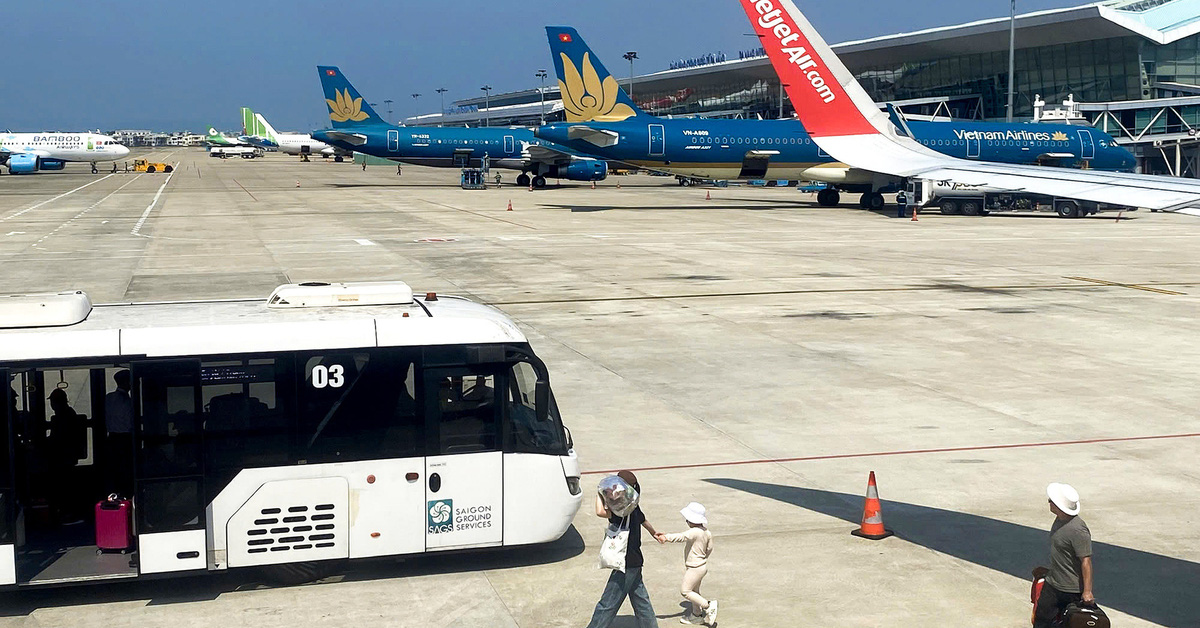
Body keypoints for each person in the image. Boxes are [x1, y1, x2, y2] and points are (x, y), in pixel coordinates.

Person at [587, 470, 663, 628]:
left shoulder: (620, 510)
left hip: (625, 562)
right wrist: (654, 533)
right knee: (641, 601)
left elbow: (600, 512)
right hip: (635, 559)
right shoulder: (633, 506)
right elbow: (644, 520)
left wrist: (600, 494)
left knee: (607, 603)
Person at [1034, 483, 1094, 628]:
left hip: (1071, 591)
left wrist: (1087, 592)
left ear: (1059, 506)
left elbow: (1086, 561)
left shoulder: (1078, 530)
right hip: (1053, 583)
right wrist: (1049, 571)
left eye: (1051, 500)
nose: (1048, 502)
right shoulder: (1059, 519)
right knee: (1040, 621)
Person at [656, 502, 717, 625]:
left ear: (692, 520)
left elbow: (681, 536)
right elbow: (709, 549)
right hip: (702, 566)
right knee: (694, 591)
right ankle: (696, 615)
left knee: (685, 591)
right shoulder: (706, 532)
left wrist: (666, 537)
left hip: (694, 568)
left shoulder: (694, 532)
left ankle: (708, 605)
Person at [103, 370, 134, 496]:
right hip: (125, 440)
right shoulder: (128, 402)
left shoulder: (108, 398)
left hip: (112, 438)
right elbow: (130, 423)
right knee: (126, 471)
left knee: (114, 471)